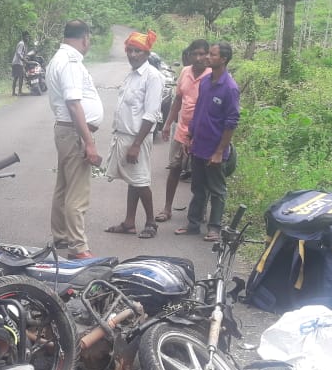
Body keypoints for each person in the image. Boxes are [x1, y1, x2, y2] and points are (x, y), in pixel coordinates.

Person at [46, 20, 103, 260]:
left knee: (64, 186)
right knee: (77, 193)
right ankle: (78, 247)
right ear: (85, 38)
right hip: (73, 132)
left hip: (66, 131)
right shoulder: (70, 62)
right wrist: (88, 142)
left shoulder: (59, 58)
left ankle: (61, 235)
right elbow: (73, 103)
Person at [174, 42, 240, 243]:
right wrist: (189, 136)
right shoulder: (205, 82)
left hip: (215, 149)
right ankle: (193, 224)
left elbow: (231, 122)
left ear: (224, 59)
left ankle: (214, 228)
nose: (207, 57)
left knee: (217, 190)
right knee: (198, 187)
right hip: (199, 145)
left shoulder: (230, 88)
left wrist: (220, 151)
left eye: (212, 54)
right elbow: (199, 112)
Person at [103, 30, 165, 240]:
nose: (132, 54)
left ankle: (151, 222)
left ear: (147, 53)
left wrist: (136, 144)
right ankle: (129, 223)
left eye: (137, 51)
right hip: (125, 136)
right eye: (129, 50)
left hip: (137, 138)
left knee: (140, 180)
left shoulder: (153, 77)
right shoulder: (131, 75)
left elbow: (151, 114)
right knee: (133, 180)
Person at [157, 39, 210, 223]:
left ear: (208, 55)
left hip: (202, 133)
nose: (198, 58)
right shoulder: (185, 72)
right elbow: (178, 100)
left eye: (202, 54)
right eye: (195, 54)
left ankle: (200, 211)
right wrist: (167, 124)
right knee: (174, 168)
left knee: (201, 174)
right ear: (189, 55)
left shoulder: (212, 75)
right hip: (181, 130)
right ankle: (167, 208)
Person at [11, 31, 31, 96]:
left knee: (16, 77)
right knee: (20, 77)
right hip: (18, 62)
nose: (27, 38)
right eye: (26, 37)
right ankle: (19, 92)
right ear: (23, 37)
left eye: (28, 37)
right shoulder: (21, 44)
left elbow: (22, 53)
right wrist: (23, 59)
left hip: (17, 62)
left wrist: (25, 58)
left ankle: (14, 92)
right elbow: (18, 53)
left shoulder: (23, 44)